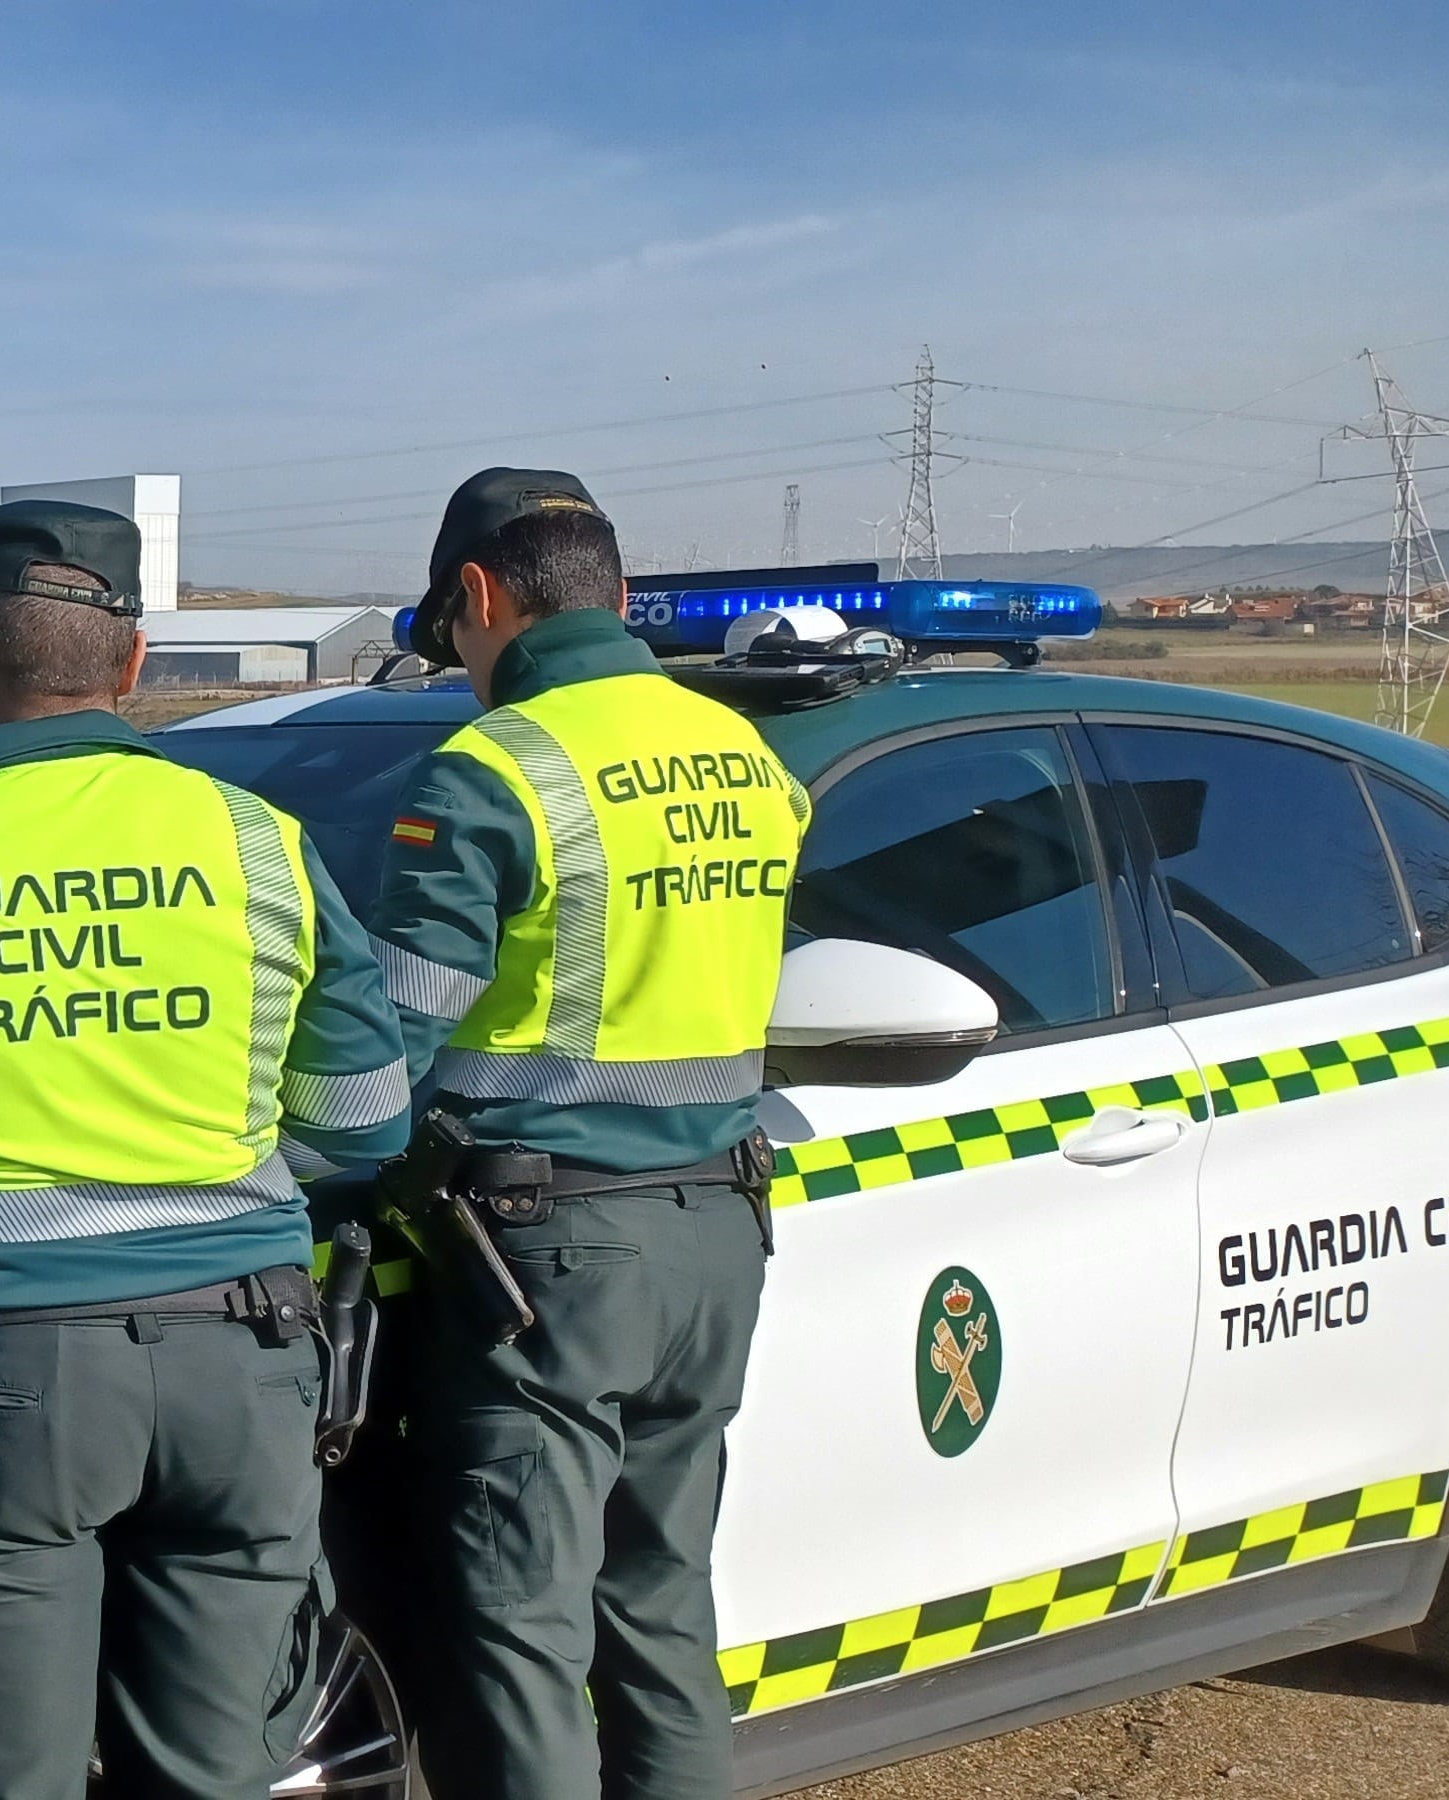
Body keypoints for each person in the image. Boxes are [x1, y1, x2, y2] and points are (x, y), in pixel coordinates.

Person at [0, 499, 412, 1800]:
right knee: (215, 1777)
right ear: (129, 668)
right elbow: (365, 1126)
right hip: (242, 1376)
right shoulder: (263, 850)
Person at [369, 470, 809, 1799]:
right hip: (719, 1225)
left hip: (544, 1257)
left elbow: (393, 1037)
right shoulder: (749, 756)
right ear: (616, 595)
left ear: (483, 597)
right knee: (665, 1606)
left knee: (522, 1628)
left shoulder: (495, 770)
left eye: (452, 634)